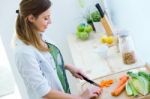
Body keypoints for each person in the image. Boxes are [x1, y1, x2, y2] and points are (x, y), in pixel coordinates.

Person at [14, 0, 102, 99]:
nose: (50, 22)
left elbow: (46, 63)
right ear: (31, 18)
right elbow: (45, 91)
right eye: (46, 18)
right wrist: (81, 98)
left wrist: (68, 67)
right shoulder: (23, 53)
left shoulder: (39, 35)